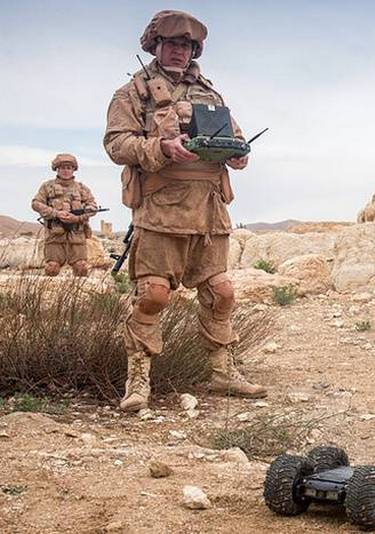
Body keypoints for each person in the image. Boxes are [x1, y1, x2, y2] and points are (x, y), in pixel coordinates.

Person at [103, 10, 267, 412]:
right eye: (173, 44)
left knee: (221, 292)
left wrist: (238, 154)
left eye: (187, 46)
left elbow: (236, 137)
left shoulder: (211, 94)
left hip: (209, 212)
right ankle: (138, 380)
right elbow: (116, 144)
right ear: (155, 46)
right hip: (160, 210)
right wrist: (160, 148)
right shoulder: (133, 93)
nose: (180, 52)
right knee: (154, 294)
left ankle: (222, 372)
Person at [31, 153, 97, 277]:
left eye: (69, 167)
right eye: (62, 167)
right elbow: (36, 204)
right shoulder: (47, 187)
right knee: (52, 269)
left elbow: (92, 208)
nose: (66, 171)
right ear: (57, 169)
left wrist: (76, 218)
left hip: (77, 235)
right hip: (55, 235)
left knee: (81, 268)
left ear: (73, 169)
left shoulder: (82, 188)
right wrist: (56, 213)